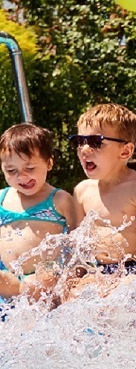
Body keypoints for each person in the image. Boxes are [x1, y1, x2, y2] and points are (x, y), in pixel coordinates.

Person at [72, 103, 136, 299]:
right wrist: (75, 281)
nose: (84, 149)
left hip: (134, 270)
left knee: (121, 293)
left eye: (96, 142)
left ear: (125, 151)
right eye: (80, 141)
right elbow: (79, 248)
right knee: (71, 296)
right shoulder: (81, 191)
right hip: (100, 270)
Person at [0, 123, 78, 299]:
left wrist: (71, 277)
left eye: (30, 168)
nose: (21, 176)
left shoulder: (60, 200)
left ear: (49, 163)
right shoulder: (2, 199)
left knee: (47, 276)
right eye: (11, 170)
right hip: (11, 281)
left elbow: (79, 244)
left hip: (47, 280)